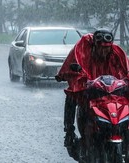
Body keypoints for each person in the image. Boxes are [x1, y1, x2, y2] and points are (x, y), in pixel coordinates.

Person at [55, 28, 129, 159]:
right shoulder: (83, 49)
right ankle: (69, 132)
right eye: (100, 48)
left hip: (113, 93)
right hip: (90, 89)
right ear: (94, 45)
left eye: (107, 48)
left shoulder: (117, 53)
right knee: (72, 95)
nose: (103, 51)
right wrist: (76, 77)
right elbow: (72, 65)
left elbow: (126, 70)